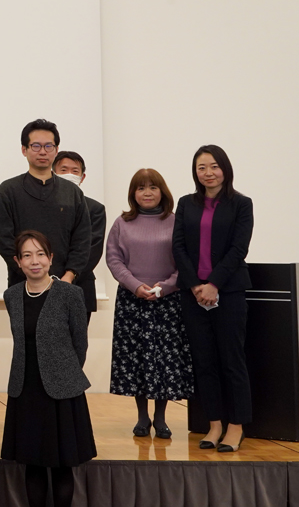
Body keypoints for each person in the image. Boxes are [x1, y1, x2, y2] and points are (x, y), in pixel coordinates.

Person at [1, 231, 95, 507]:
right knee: (33, 465)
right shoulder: (12, 296)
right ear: (18, 262)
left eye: (41, 254)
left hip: (62, 392)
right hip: (25, 389)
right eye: (27, 255)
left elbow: (81, 344)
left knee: (62, 465)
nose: (35, 261)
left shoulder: (71, 294)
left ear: (51, 258)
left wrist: (63, 374)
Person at [173, 145, 253, 453]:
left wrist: (214, 284)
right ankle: (214, 423)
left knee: (231, 360)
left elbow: (238, 249)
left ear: (225, 169)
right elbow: (178, 247)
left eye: (214, 166)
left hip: (228, 292)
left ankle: (236, 426)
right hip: (192, 295)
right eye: (201, 167)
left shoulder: (241, 204)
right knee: (203, 361)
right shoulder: (186, 203)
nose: (208, 172)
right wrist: (195, 285)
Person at [105, 169, 193, 439]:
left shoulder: (176, 222)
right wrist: (135, 286)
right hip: (133, 301)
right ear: (133, 193)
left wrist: (164, 287)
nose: (147, 192)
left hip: (167, 301)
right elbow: (113, 259)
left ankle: (161, 418)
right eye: (140, 188)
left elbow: (185, 262)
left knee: (163, 361)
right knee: (138, 360)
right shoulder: (122, 222)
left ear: (162, 191)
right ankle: (142, 418)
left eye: (152, 187)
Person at [0, 119, 91, 288]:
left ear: (56, 150)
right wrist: (32, 273)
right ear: (24, 150)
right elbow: (4, 240)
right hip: (22, 283)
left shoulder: (72, 192)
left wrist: (69, 276)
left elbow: (82, 239)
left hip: (64, 284)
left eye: (48, 146)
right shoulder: (8, 190)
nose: (43, 152)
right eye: (36, 146)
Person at [53, 151, 106, 321]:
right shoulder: (40, 205)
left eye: (75, 171)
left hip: (81, 285)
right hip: (43, 283)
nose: (69, 174)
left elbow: (93, 249)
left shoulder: (95, 209)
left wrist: (69, 276)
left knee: (77, 346)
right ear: (53, 172)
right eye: (63, 170)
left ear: (82, 177)